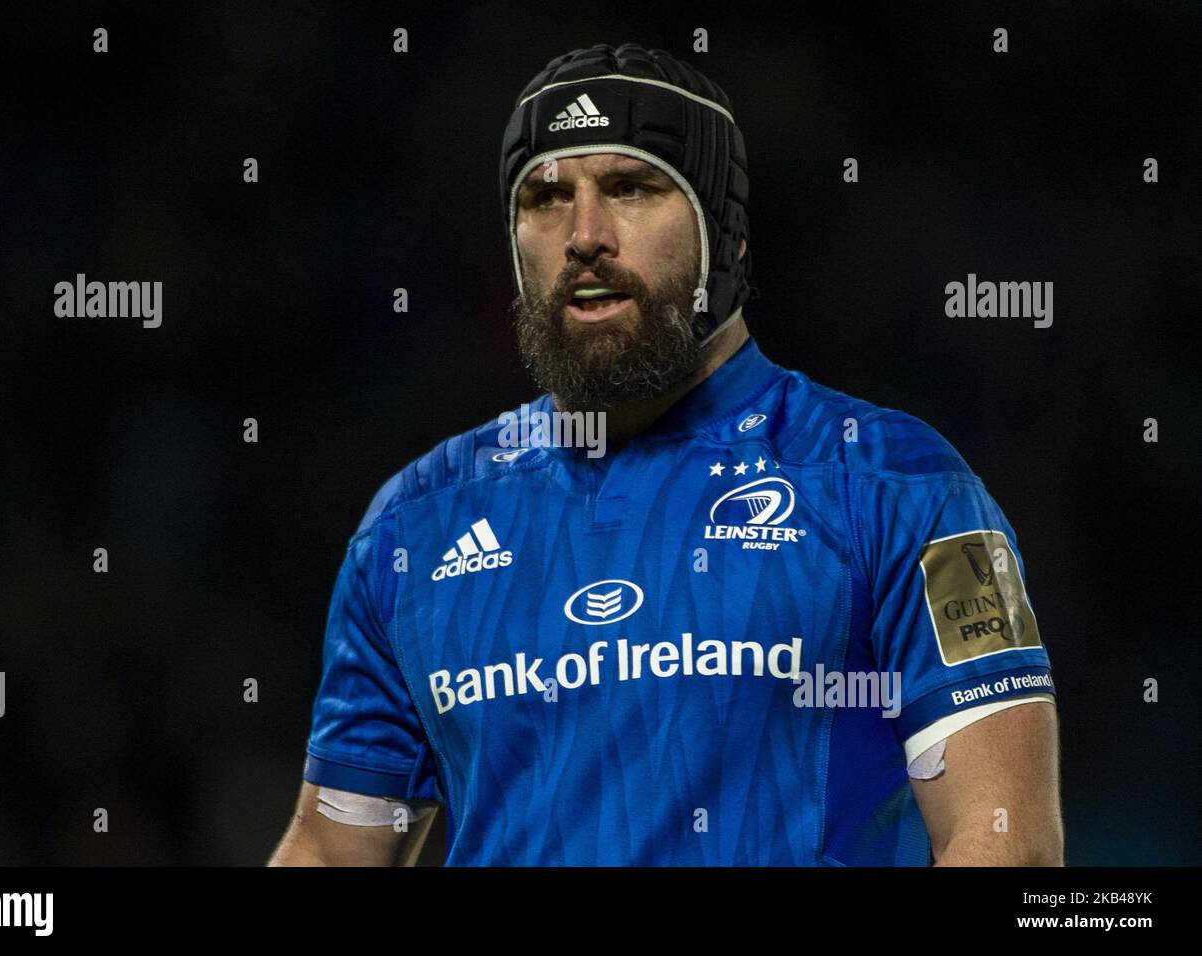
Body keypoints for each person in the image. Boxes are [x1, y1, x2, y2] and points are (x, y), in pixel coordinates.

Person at [269, 42, 1061, 866]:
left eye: (631, 188)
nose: (584, 235)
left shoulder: (904, 486)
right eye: (545, 198)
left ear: (729, 238)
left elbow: (1008, 843)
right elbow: (332, 847)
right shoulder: (415, 526)